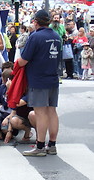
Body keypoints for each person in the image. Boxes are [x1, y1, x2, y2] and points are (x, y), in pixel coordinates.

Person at [18, 9, 61, 157]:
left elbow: (23, 61)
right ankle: (52, 145)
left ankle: (40, 146)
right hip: (53, 78)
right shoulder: (56, 36)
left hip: (38, 79)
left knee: (40, 113)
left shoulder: (35, 37)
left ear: (36, 22)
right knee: (52, 111)